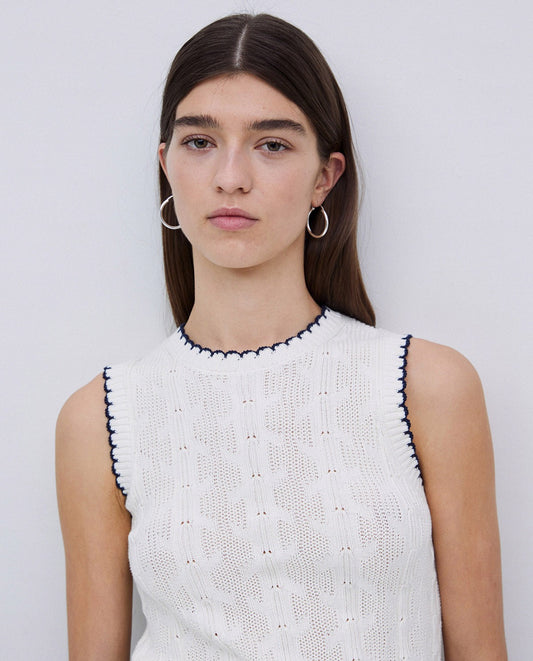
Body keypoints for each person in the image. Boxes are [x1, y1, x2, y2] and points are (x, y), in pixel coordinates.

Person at [56, 13, 507, 661]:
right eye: (199, 141)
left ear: (325, 177)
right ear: (166, 165)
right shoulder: (101, 418)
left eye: (271, 144)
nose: (230, 176)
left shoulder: (425, 388)